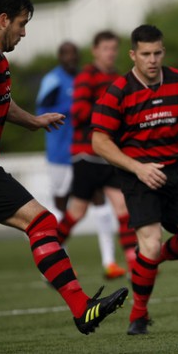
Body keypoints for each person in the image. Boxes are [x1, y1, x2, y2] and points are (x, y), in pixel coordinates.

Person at [0, 0, 127, 335]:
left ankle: (83, 308)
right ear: (3, 20)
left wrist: (34, 121)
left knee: (42, 224)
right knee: (43, 223)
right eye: (21, 24)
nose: (23, 33)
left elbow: (2, 103)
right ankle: (81, 308)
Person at [91, 24, 178, 335]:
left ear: (163, 52)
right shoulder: (118, 91)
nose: (152, 59)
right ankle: (139, 315)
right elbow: (99, 141)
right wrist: (137, 167)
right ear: (133, 55)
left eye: (157, 52)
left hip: (175, 170)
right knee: (150, 242)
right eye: (145, 54)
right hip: (138, 175)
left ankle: (150, 261)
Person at [36, 41, 125, 279]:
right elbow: (39, 113)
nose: (71, 58)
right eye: (66, 54)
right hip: (60, 154)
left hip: (89, 153)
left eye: (74, 54)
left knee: (102, 204)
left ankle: (110, 262)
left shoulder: (85, 78)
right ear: (59, 56)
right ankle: (56, 261)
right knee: (63, 206)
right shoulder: (52, 80)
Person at [56, 31, 137, 278]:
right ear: (95, 51)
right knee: (77, 212)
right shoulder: (86, 76)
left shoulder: (116, 78)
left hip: (108, 154)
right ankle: (50, 250)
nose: (110, 53)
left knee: (122, 206)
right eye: (106, 48)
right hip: (86, 154)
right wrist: (108, 111)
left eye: (114, 48)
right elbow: (79, 113)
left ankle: (134, 263)